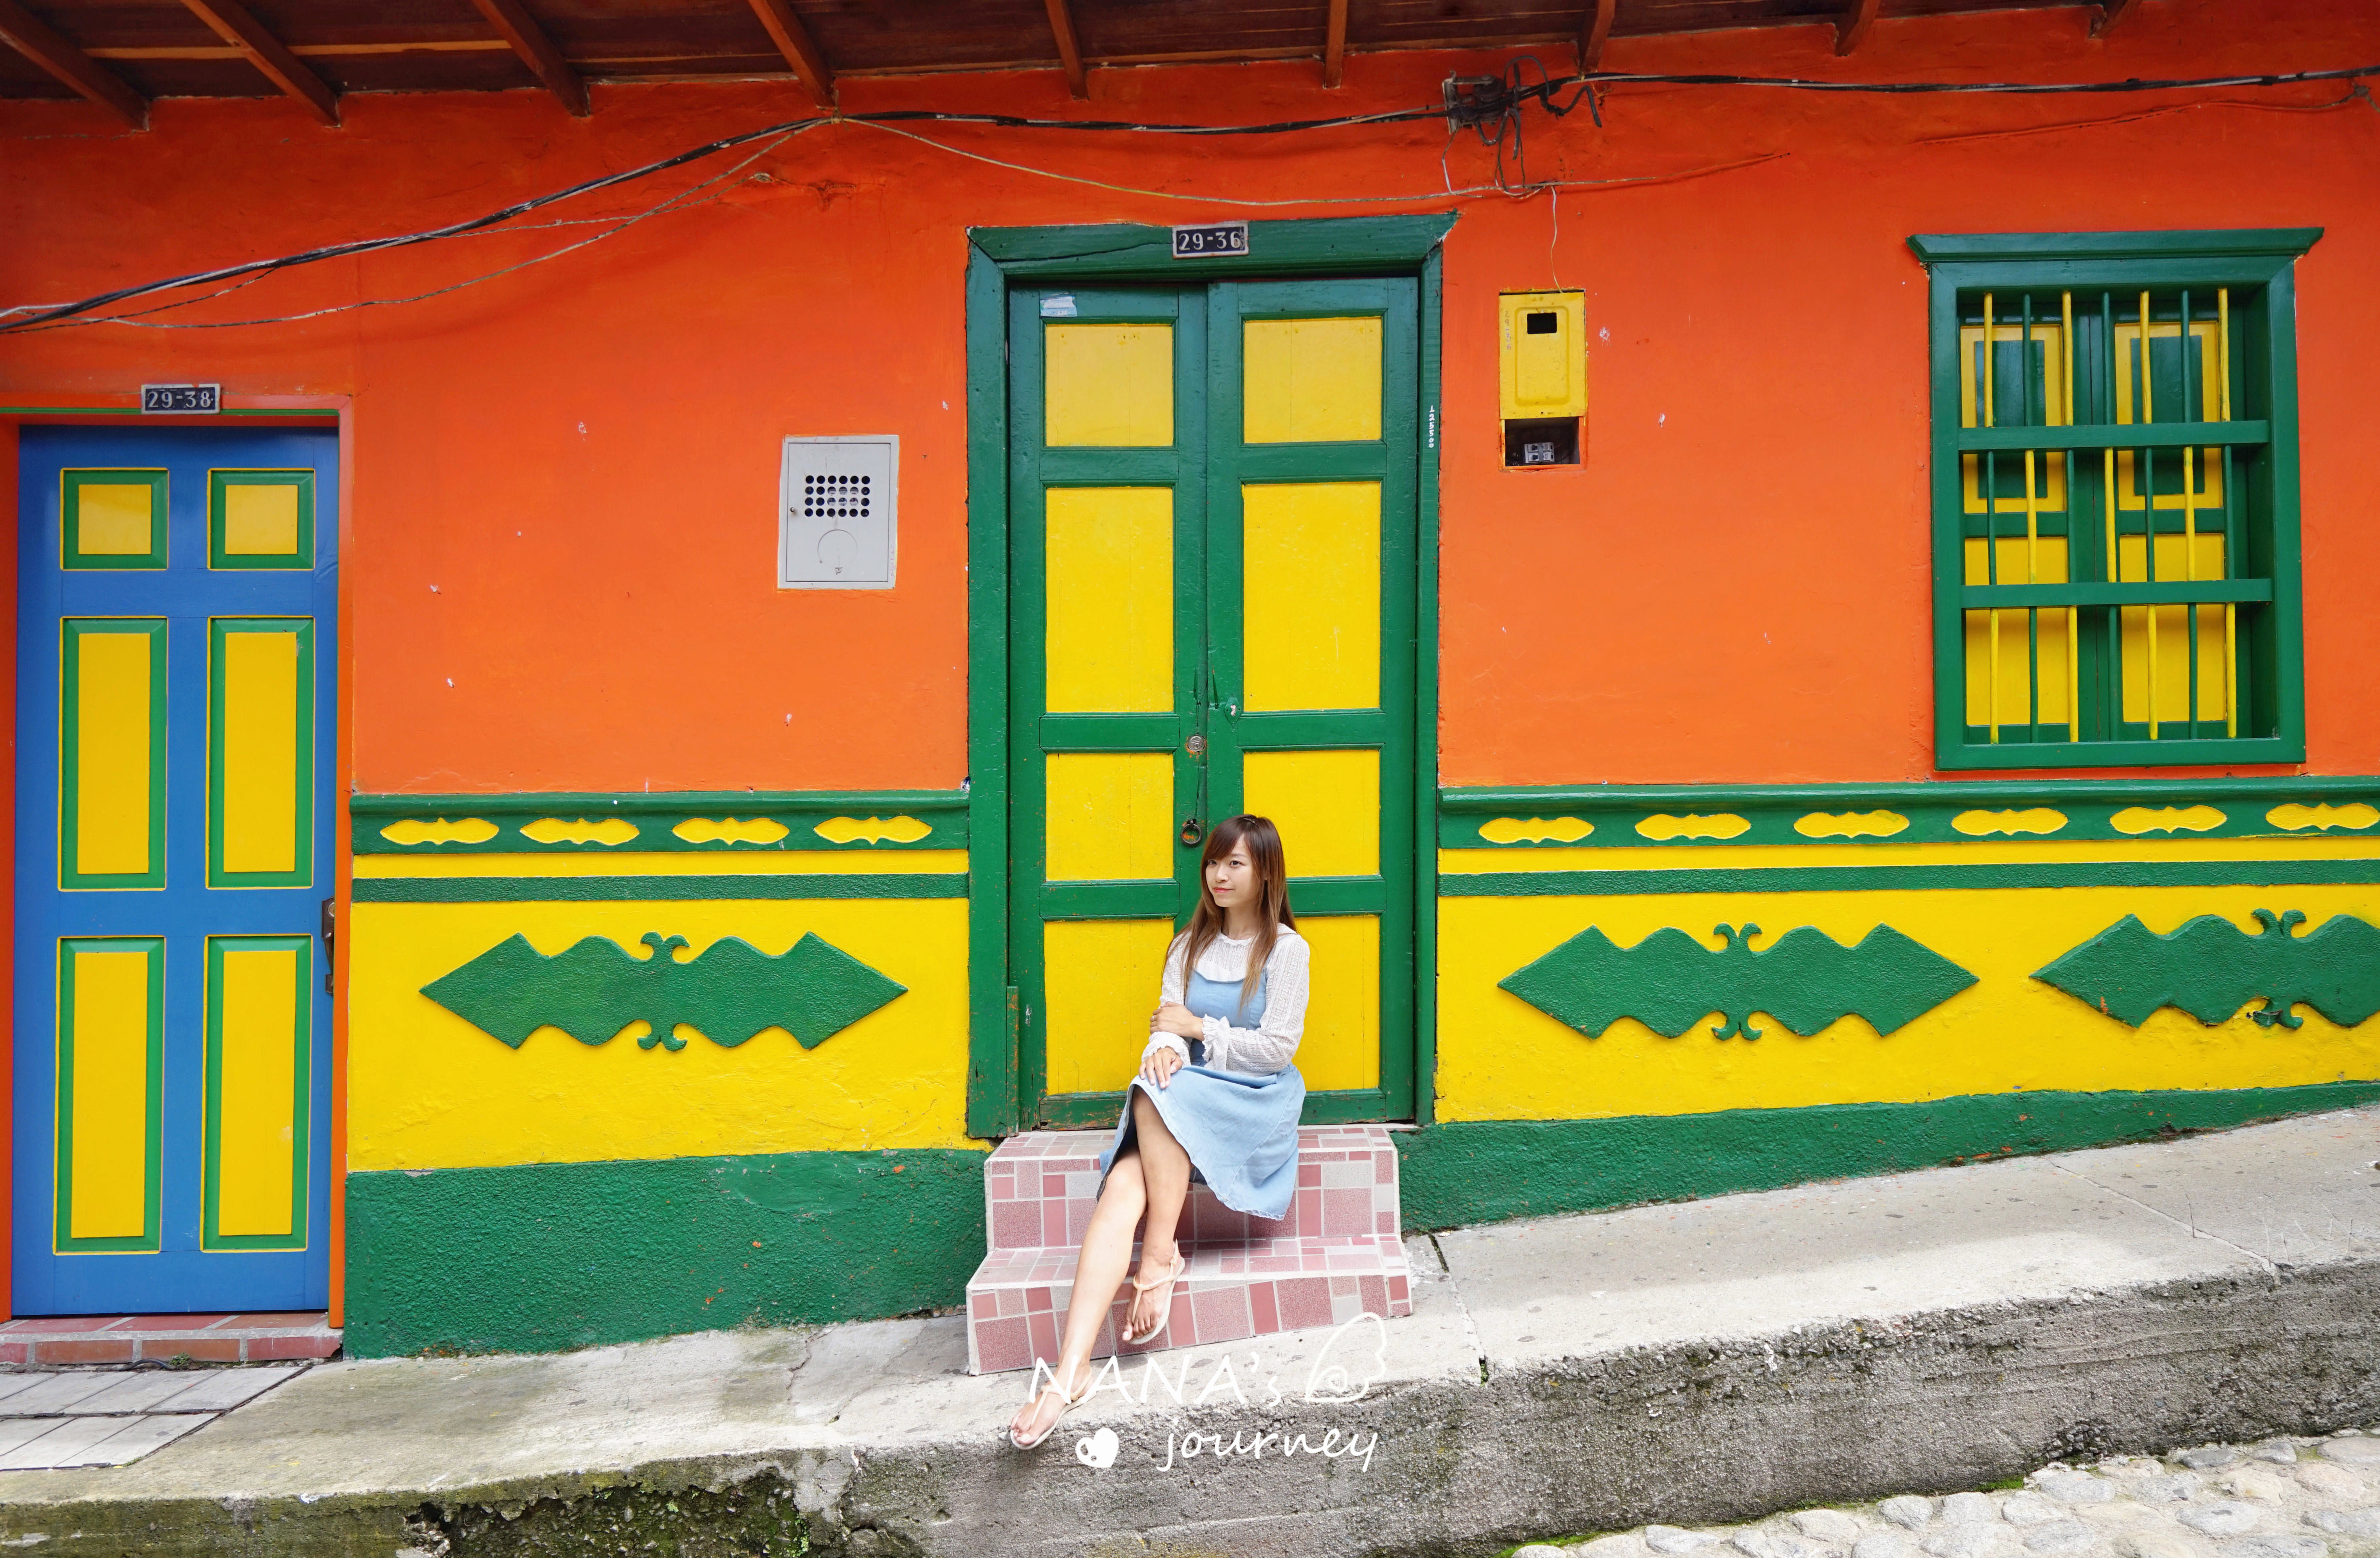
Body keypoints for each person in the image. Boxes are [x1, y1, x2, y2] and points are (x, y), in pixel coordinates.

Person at [1006, 813, 1309, 1450]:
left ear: (1265, 874)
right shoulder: (1186, 946)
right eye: (1213, 862)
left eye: (1235, 864)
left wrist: (1194, 1030)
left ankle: (1159, 1253)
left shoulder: (1287, 950)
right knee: (1126, 1174)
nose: (1219, 874)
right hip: (1181, 1095)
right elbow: (1163, 1032)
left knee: (1154, 1092)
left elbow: (1276, 1050)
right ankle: (1069, 1373)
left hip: (1252, 1101)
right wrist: (1166, 1047)